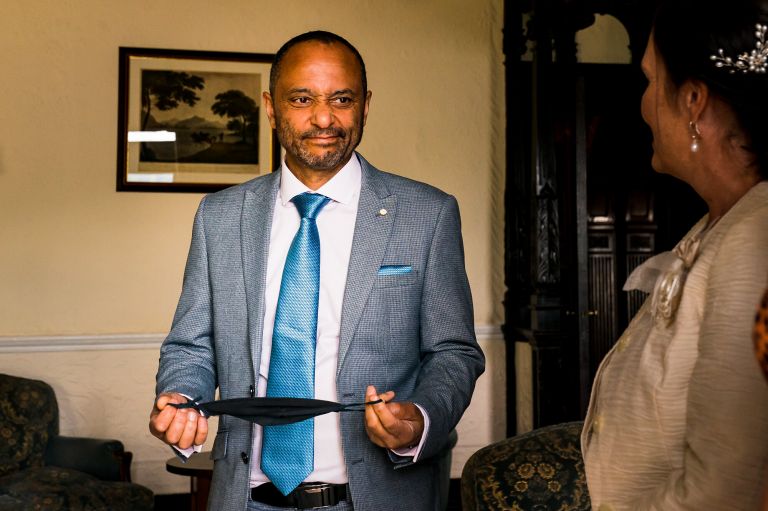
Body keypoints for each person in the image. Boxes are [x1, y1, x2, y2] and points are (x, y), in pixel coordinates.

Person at [148, 30, 484, 511]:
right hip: (243, 498)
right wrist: (181, 396)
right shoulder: (219, 215)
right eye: (302, 99)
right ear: (271, 107)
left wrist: (420, 417)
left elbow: (454, 352)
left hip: (379, 498)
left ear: (365, 106)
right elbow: (191, 345)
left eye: (341, 99)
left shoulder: (426, 214)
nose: (324, 118)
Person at [581, 0, 768, 509]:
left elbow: (727, 490)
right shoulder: (719, 224)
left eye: (648, 80)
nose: (642, 103)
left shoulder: (753, 245)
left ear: (692, 100)